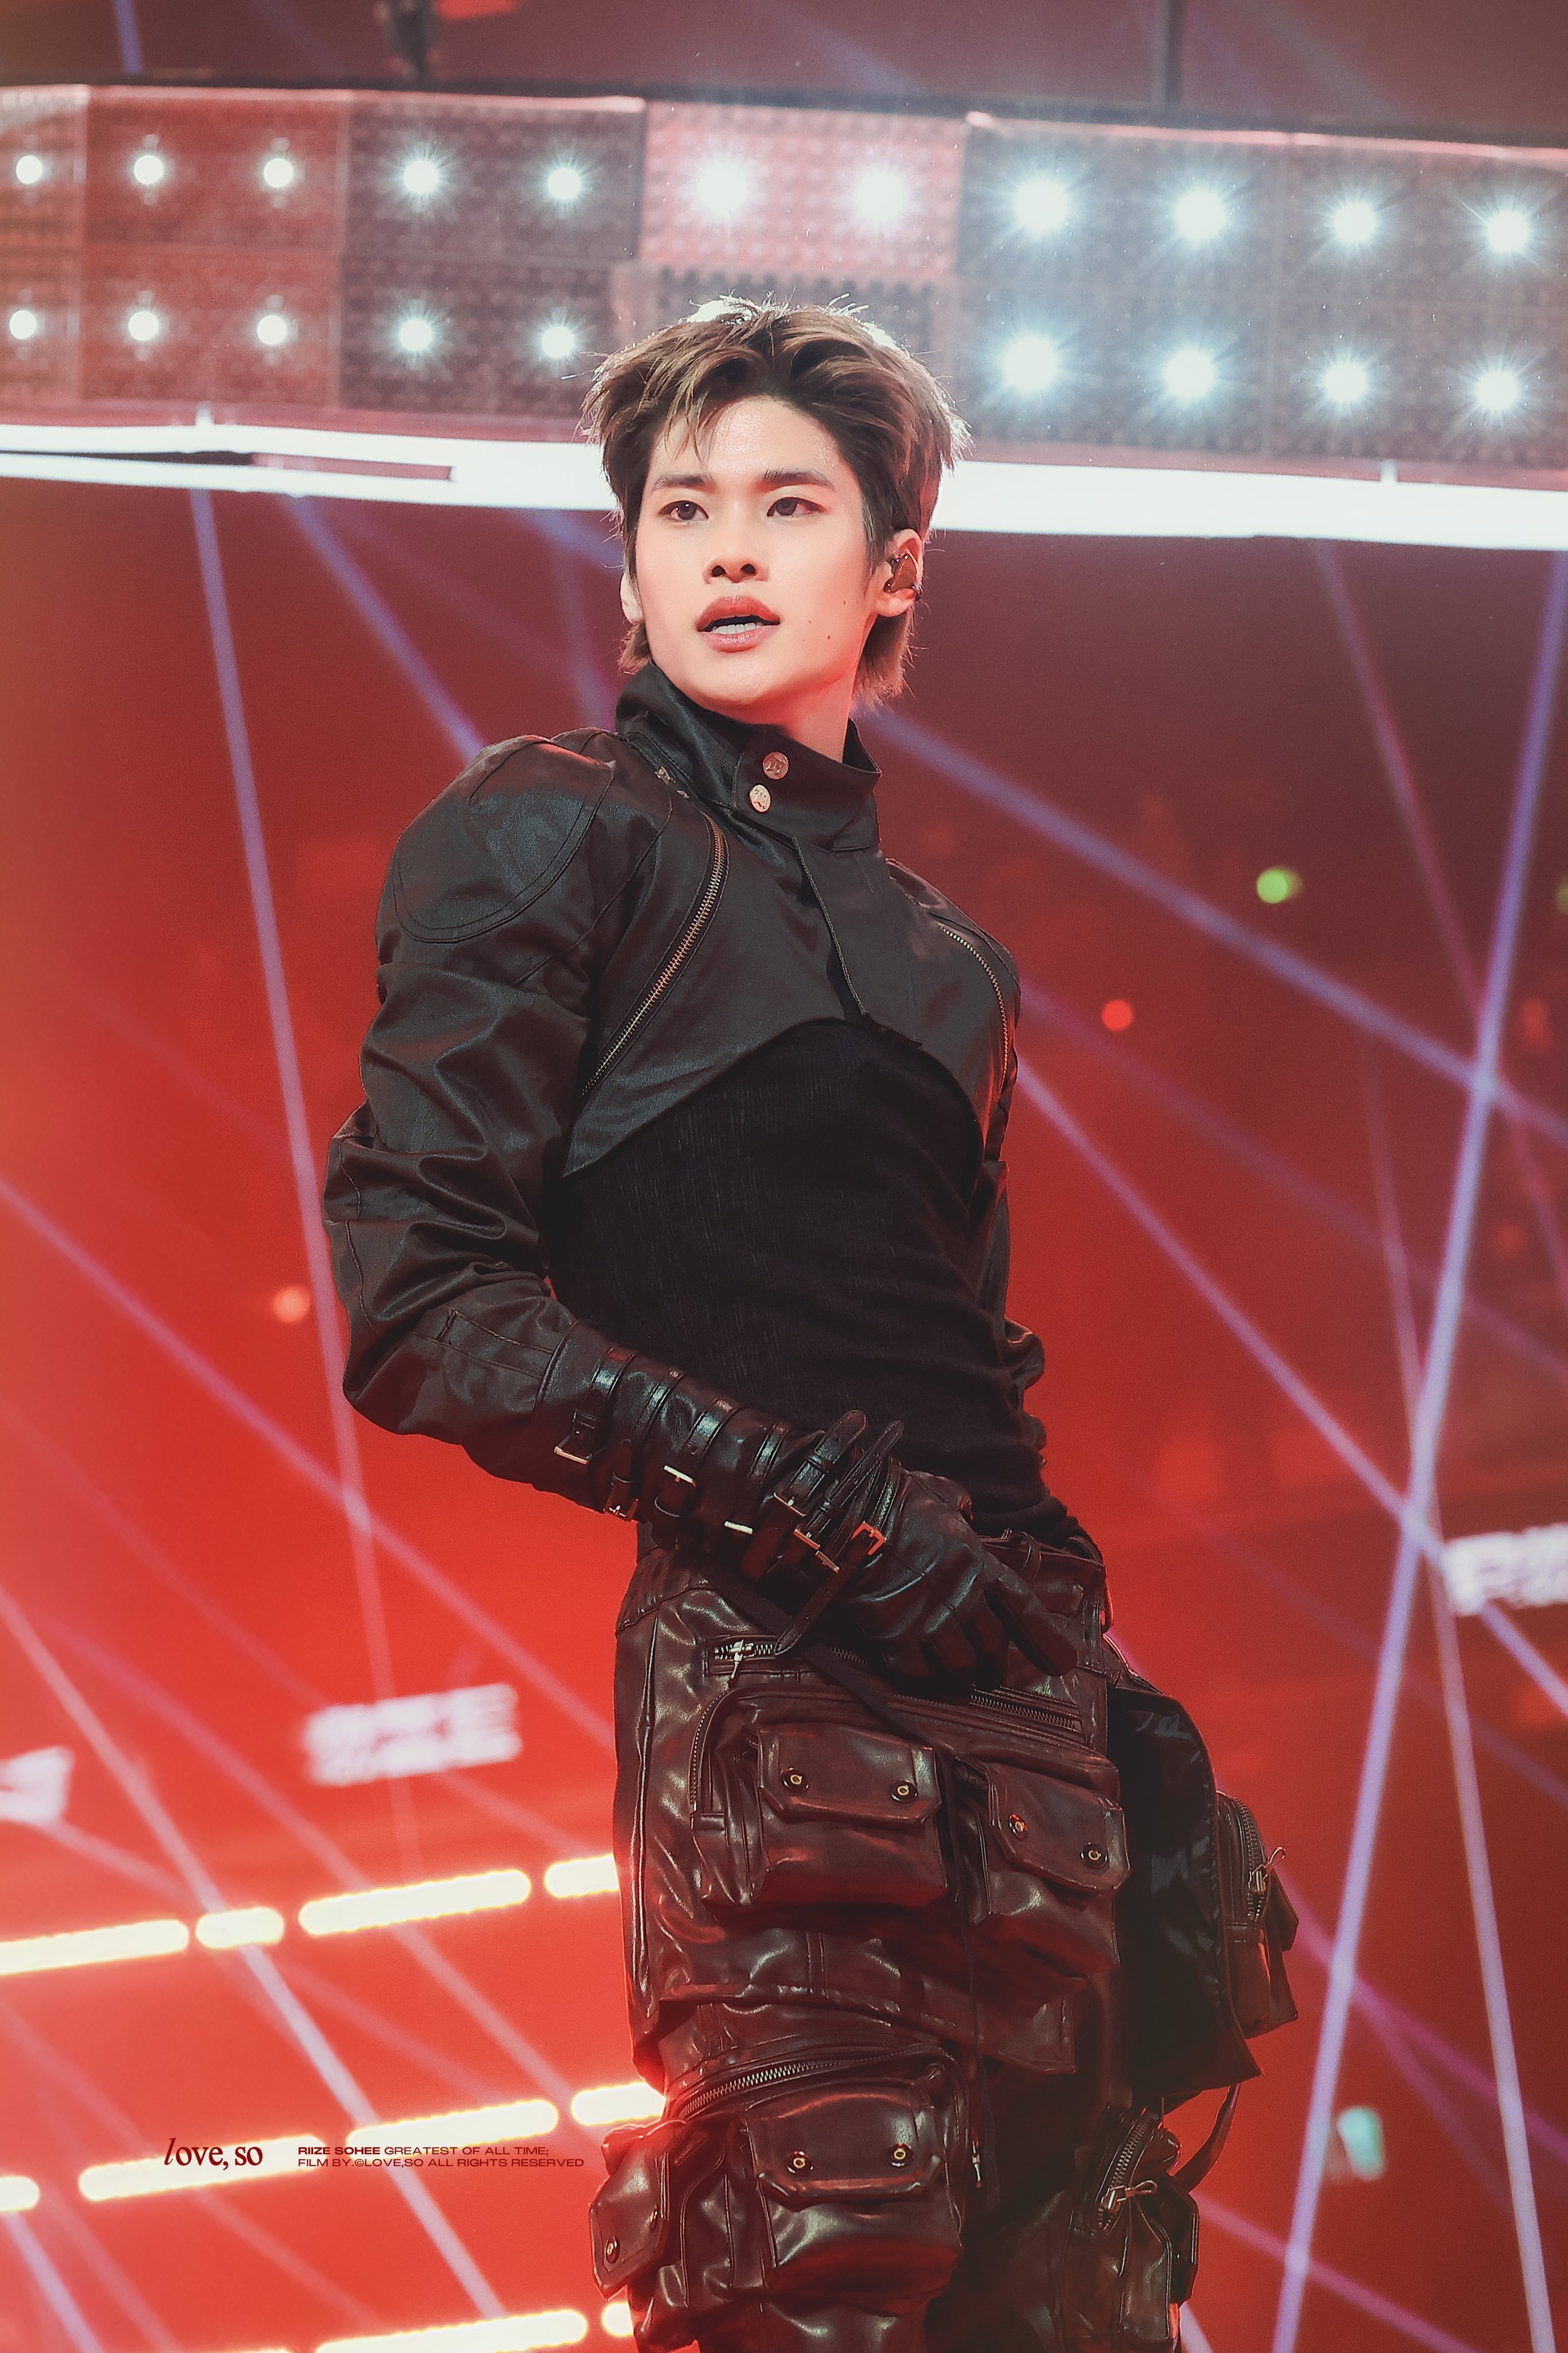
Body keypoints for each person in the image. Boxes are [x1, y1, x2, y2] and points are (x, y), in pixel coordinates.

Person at [323, 302, 1256, 2353]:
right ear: (631, 563)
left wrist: (1101, 1675)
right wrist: (808, 1508)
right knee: (809, 2288)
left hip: (1034, 1733)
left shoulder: (953, 968)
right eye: (681, 510)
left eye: (787, 505)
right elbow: (416, 1299)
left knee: (1083, 2309)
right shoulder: (548, 825)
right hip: (777, 1711)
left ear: (894, 565)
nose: (728, 548)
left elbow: (958, 1368)